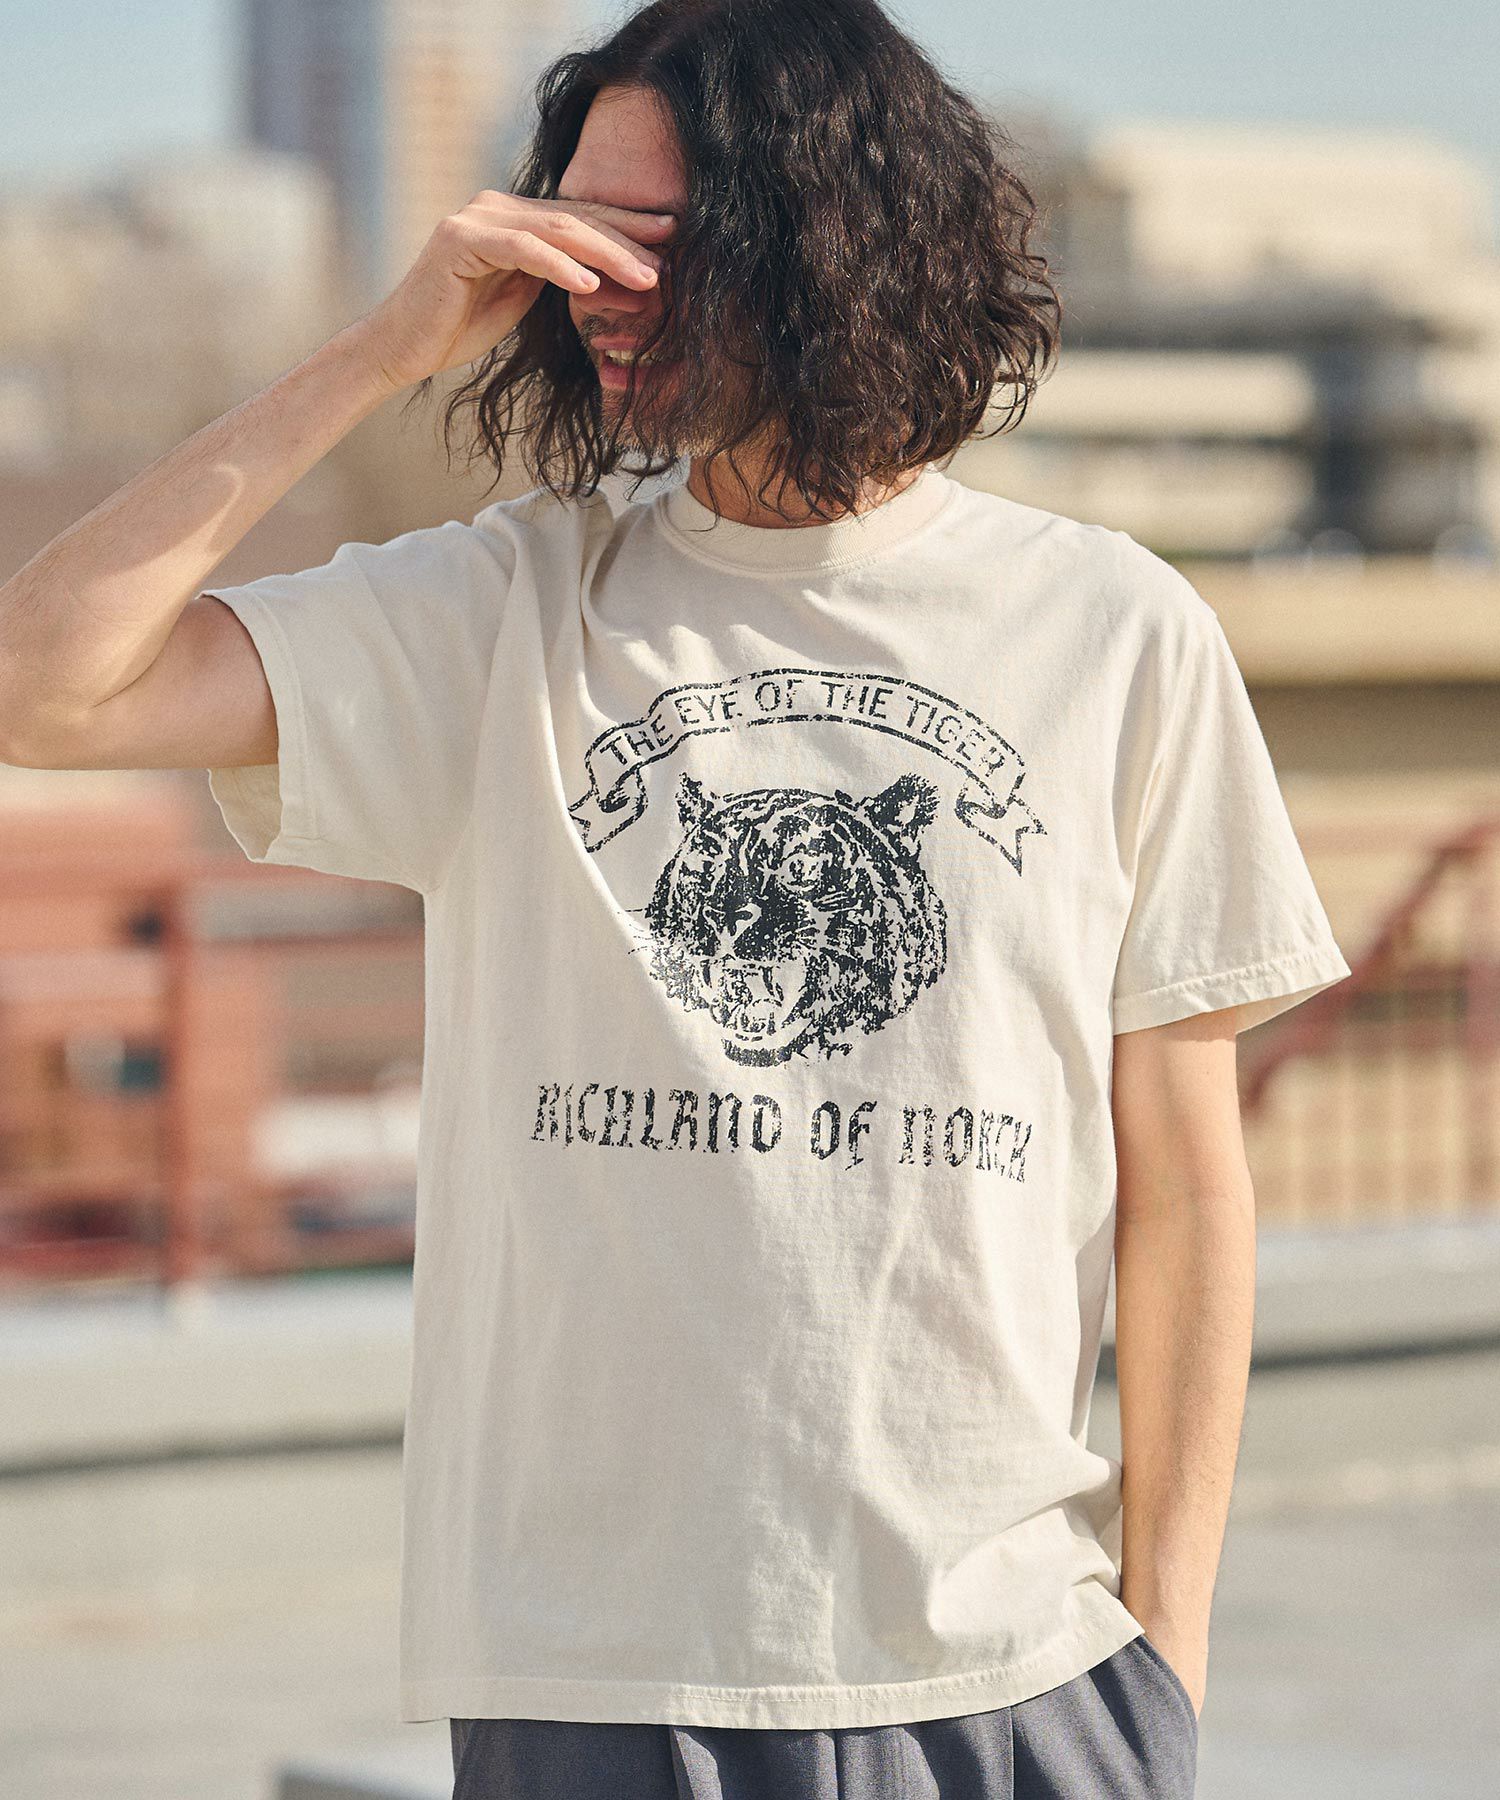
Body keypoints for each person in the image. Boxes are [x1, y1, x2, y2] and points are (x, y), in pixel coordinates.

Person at [0, 1, 1351, 1795]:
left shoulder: (1116, 635)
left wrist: (1159, 1663)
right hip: (595, 1674)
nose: (596, 283)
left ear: (834, 232)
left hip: (1010, 1673)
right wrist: (380, 354)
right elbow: (44, 684)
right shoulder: (506, 613)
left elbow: (1185, 1182)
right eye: (575, 225)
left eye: (655, 234)